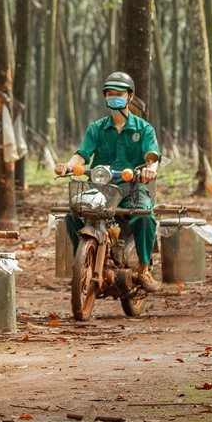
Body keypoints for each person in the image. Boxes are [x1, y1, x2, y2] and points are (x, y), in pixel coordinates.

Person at [61, 70, 161, 291]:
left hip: (131, 189)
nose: (114, 96)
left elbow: (152, 156)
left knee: (145, 216)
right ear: (105, 96)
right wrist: (68, 166)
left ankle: (144, 270)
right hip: (100, 190)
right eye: (110, 93)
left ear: (130, 97)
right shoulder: (96, 128)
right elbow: (82, 154)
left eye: (120, 93)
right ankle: (84, 261)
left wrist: (150, 169)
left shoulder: (144, 129)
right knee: (71, 214)